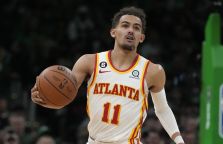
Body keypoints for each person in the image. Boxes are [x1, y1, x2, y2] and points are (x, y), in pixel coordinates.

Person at [31, 6, 185, 144]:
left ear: (141, 37)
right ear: (113, 32)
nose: (130, 30)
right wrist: (44, 96)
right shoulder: (89, 62)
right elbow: (65, 92)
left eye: (136, 28)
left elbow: (162, 109)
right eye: (125, 25)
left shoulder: (153, 71)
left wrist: (179, 140)